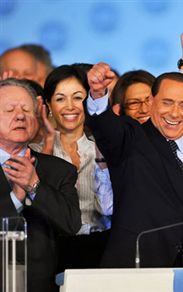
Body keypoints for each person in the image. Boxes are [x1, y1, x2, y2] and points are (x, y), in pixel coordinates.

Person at [85, 63, 183, 268]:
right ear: (152, 102)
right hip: (137, 270)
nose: (175, 113)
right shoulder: (131, 138)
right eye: (167, 103)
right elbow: (106, 127)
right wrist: (98, 94)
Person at [0, 78, 81, 292]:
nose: (20, 116)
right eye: (9, 110)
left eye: (27, 110)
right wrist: (15, 199)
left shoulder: (60, 170)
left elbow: (71, 224)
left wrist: (35, 186)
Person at [29, 65, 112, 272]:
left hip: (101, 247)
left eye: (77, 97)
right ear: (47, 104)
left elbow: (108, 208)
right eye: (60, 99)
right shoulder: (32, 152)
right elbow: (40, 204)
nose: (70, 107)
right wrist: (48, 141)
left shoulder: (103, 151)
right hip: (51, 250)